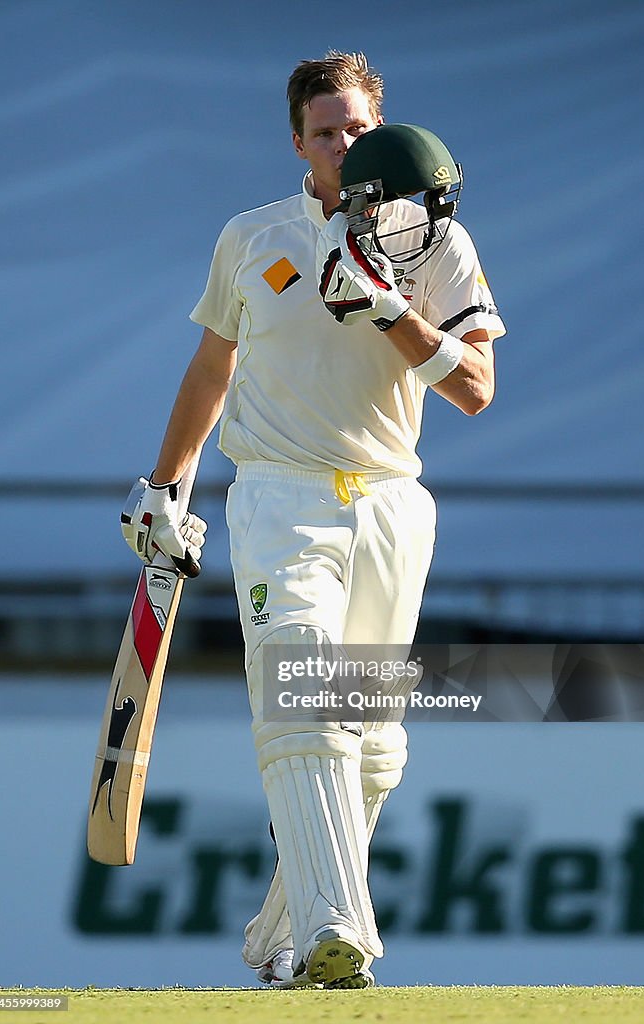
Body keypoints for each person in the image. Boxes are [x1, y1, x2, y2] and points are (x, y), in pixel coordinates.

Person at [121, 50, 506, 988]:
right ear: (299, 142)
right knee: (304, 695)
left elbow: (477, 389)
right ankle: (340, 936)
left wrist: (386, 312)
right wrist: (165, 488)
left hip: (390, 504)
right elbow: (211, 373)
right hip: (281, 492)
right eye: (326, 131)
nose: (344, 144)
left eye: (359, 128)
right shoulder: (254, 239)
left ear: (382, 129)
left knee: (372, 752)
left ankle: (278, 939)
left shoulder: (437, 242)